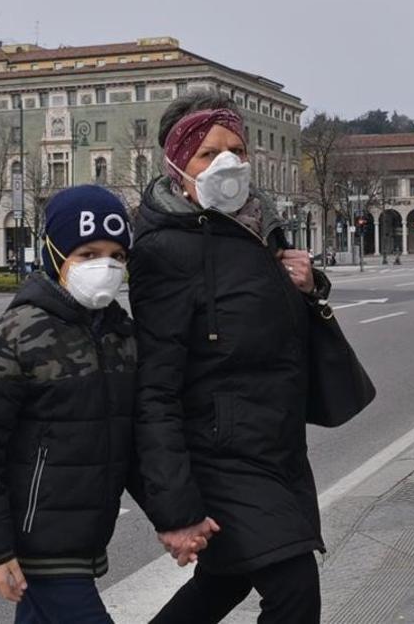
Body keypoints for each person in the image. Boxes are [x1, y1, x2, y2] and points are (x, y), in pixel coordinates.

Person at [129, 92, 329, 623]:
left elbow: (273, 330)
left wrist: (307, 286)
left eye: (237, 150)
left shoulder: (256, 227)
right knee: (293, 588)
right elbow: (155, 387)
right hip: (219, 453)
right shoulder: (162, 248)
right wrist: (175, 508)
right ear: (176, 163)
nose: (227, 163)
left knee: (227, 579)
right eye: (207, 153)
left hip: (274, 445)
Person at [0, 186, 185, 623]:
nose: (105, 267)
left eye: (117, 255)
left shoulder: (122, 336)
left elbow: (134, 445)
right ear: (54, 254)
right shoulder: (9, 336)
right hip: (37, 544)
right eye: (87, 253)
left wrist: (174, 518)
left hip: (85, 539)